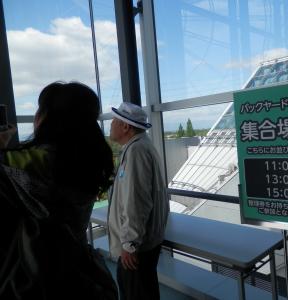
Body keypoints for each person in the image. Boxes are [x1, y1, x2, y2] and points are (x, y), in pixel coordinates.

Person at [0, 82, 116, 299]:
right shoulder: (91, 161)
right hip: (78, 271)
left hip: (31, 275)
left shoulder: (29, 161)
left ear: (49, 117)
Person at [108, 102, 170, 300]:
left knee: (135, 293)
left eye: (115, 121)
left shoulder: (136, 151)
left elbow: (137, 201)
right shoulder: (142, 146)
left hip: (137, 246)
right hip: (144, 241)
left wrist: (129, 244)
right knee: (145, 290)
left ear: (126, 126)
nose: (111, 124)